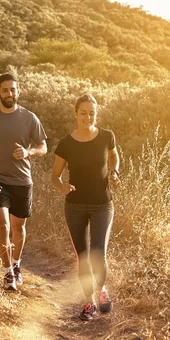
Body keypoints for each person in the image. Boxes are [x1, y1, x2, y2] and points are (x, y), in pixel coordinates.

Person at [0, 74, 47, 291]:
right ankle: (7, 273)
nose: (9, 94)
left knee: (18, 227)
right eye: (5, 90)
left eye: (13, 90)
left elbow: (43, 147)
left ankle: (17, 264)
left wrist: (28, 151)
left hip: (22, 180)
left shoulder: (29, 117)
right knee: (2, 226)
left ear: (18, 91)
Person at [51, 94, 120, 320]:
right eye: (83, 112)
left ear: (96, 114)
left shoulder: (107, 136)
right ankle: (88, 303)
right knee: (83, 257)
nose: (88, 116)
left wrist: (115, 172)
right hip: (75, 207)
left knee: (98, 253)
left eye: (92, 112)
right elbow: (55, 176)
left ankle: (101, 291)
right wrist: (62, 188)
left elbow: (113, 157)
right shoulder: (66, 143)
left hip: (103, 204)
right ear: (75, 114)